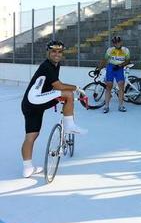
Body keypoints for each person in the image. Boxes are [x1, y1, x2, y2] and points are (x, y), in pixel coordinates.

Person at [20, 40, 87, 178]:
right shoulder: (47, 66)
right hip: (36, 100)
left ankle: (27, 168)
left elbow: (53, 84)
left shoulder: (54, 65)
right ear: (48, 53)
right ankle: (69, 125)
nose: (57, 54)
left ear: (62, 53)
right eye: (53, 51)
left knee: (31, 136)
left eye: (59, 52)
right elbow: (58, 86)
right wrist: (77, 88)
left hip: (29, 103)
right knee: (68, 94)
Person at [96, 36, 131, 113]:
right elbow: (104, 60)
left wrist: (120, 65)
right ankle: (106, 106)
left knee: (121, 87)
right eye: (115, 42)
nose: (117, 44)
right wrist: (99, 69)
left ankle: (121, 106)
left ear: (121, 42)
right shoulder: (110, 50)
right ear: (113, 43)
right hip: (110, 68)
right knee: (108, 87)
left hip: (120, 68)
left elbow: (128, 61)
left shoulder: (125, 50)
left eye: (118, 42)